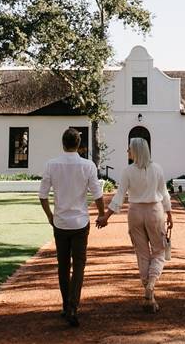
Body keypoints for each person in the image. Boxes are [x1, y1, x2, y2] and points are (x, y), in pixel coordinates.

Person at [39, 128, 106, 327]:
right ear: (78, 145)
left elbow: (42, 196)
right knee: (78, 265)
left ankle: (65, 305)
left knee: (62, 265)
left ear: (63, 143)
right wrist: (102, 214)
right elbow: (97, 194)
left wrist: (50, 216)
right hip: (80, 222)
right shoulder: (88, 166)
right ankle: (73, 306)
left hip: (60, 222)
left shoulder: (51, 165)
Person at [96, 137, 173, 313]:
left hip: (135, 213)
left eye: (129, 148)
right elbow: (164, 193)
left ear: (136, 151)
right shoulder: (157, 169)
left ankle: (149, 294)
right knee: (159, 251)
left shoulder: (127, 171)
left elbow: (119, 196)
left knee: (142, 254)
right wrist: (169, 214)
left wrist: (106, 217)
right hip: (154, 212)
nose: (127, 151)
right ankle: (151, 284)